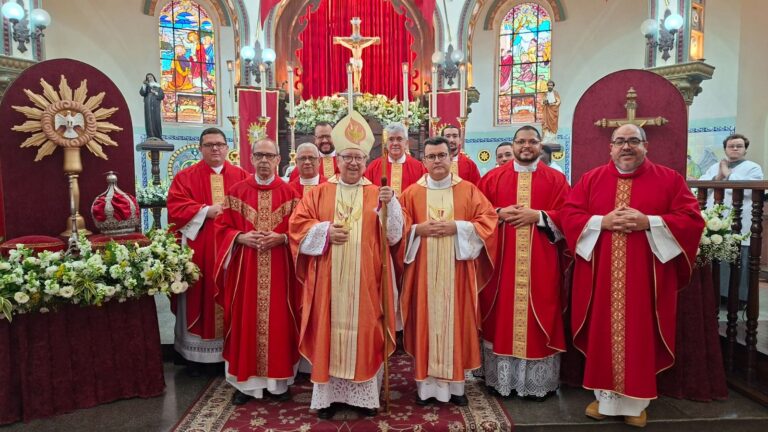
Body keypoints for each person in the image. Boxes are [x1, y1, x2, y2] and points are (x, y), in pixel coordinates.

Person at [559, 124, 704, 427]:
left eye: (633, 141)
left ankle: (637, 402)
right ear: (610, 147)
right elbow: (570, 215)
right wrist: (603, 221)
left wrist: (648, 221)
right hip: (601, 278)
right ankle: (605, 401)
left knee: (640, 332)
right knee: (602, 333)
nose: (626, 147)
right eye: (620, 141)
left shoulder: (669, 180)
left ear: (646, 145)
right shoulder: (591, 179)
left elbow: (691, 218)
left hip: (646, 279)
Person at [289, 111, 402, 419]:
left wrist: (390, 205)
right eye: (348, 157)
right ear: (337, 159)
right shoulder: (320, 191)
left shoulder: (378, 193)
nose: (353, 163)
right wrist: (324, 231)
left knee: (366, 332)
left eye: (359, 158)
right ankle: (328, 399)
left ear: (367, 161)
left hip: (366, 280)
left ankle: (364, 399)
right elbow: (297, 226)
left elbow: (393, 236)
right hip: (328, 281)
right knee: (328, 332)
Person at [400, 136, 497, 406]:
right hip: (423, 276)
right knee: (426, 324)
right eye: (431, 156)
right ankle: (425, 388)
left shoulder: (468, 190)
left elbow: (488, 221)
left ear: (451, 157)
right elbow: (396, 232)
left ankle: (456, 388)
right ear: (423, 162)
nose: (437, 161)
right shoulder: (411, 193)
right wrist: (418, 230)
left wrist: (458, 227)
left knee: (457, 324)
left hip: (457, 273)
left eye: (442, 155)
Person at [478, 125, 570, 401]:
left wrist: (539, 216)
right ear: (513, 145)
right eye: (521, 142)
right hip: (501, 265)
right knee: (500, 314)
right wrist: (499, 213)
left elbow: (570, 214)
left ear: (541, 146)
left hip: (541, 263)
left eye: (532, 141)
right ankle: (500, 380)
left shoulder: (556, 180)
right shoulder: (492, 179)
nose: (526, 146)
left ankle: (536, 383)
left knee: (540, 310)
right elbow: (478, 215)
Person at [214, 138, 300, 405]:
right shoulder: (236, 192)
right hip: (246, 271)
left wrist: (283, 239)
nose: (264, 160)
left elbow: (301, 230)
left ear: (279, 160)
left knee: (279, 319)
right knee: (245, 319)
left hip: (280, 269)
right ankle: (246, 385)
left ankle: (279, 384)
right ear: (250, 159)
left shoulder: (291, 194)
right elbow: (220, 228)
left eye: (269, 155)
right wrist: (239, 237)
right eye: (259, 155)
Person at [167, 128, 249, 375]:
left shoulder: (242, 175)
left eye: (220, 144)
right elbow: (175, 208)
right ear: (200, 148)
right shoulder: (185, 177)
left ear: (227, 148)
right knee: (198, 295)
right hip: (199, 250)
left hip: (233, 250)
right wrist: (204, 211)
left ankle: (232, 352)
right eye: (209, 145)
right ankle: (196, 358)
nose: (215, 149)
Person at [699, 133, 763, 301]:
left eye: (739, 146)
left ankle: (738, 298)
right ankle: (716, 295)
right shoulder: (714, 167)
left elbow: (750, 190)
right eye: (731, 146)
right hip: (716, 222)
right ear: (725, 148)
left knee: (738, 260)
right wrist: (717, 177)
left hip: (740, 222)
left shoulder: (753, 167)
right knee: (716, 259)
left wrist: (728, 173)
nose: (735, 148)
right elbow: (701, 185)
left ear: (745, 150)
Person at [364, 122, 426, 195]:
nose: (395, 143)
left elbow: (423, 195)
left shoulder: (419, 167)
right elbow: (367, 194)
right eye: (391, 139)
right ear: (386, 143)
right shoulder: (373, 167)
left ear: (406, 143)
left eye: (399, 139)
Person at [140, 73, 164, 139]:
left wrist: (155, 93)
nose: (149, 78)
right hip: (148, 104)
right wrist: (144, 85)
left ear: (153, 77)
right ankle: (150, 135)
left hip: (156, 104)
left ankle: (158, 136)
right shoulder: (147, 85)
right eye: (148, 77)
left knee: (156, 119)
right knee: (149, 118)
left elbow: (162, 96)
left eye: (150, 77)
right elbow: (142, 93)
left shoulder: (158, 86)